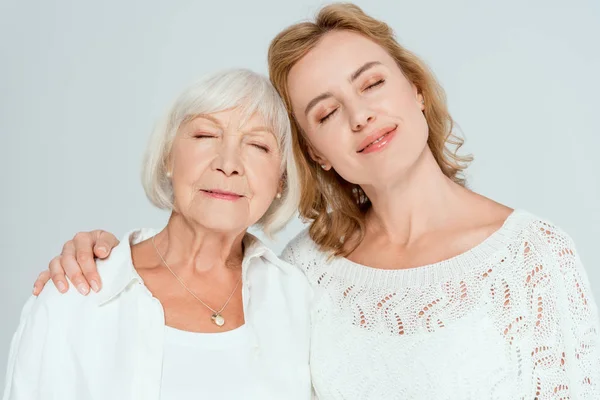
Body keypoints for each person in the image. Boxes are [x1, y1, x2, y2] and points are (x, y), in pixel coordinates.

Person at [31, 3, 600, 399]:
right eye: (326, 113)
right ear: (317, 153)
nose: (360, 116)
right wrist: (106, 255)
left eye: (372, 83)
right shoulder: (304, 270)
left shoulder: (532, 258)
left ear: (416, 90)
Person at [4, 69, 313, 400]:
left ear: (280, 181)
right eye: (206, 135)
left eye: (257, 145)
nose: (228, 163)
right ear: (169, 156)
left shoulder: (301, 301)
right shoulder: (76, 296)